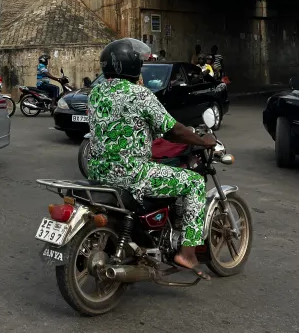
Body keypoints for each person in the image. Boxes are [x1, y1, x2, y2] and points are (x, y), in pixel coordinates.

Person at [87, 38, 216, 279]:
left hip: (98, 172)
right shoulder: (140, 94)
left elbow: (128, 125)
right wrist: (203, 140)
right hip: (132, 174)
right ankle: (187, 254)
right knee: (195, 183)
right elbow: (173, 130)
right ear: (132, 66)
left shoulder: (97, 92)